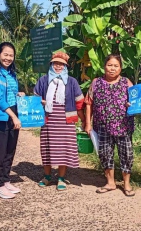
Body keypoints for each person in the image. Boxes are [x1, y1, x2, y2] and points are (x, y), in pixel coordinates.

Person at [84, 54, 135, 197]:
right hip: (102, 126)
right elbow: (89, 103)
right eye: (109, 65)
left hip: (123, 126)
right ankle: (110, 182)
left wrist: (131, 104)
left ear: (120, 68)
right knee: (105, 155)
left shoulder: (126, 83)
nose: (112, 69)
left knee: (126, 155)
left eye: (116, 66)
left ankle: (126, 184)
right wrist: (88, 123)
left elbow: (136, 100)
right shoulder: (96, 82)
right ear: (104, 66)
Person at [34, 51, 85, 191]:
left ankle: (61, 178)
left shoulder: (72, 82)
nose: (58, 66)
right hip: (48, 121)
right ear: (51, 64)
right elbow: (34, 99)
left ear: (66, 66)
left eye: (61, 64)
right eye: (56, 63)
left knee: (63, 150)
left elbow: (80, 103)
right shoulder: (43, 80)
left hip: (66, 122)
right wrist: (41, 102)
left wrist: (84, 120)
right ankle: (47, 176)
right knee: (47, 149)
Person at [0, 42, 25, 199]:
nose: (8, 58)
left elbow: (10, 94)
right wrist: (13, 116)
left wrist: (19, 95)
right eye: (5, 54)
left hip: (13, 114)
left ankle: (6, 179)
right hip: (0, 116)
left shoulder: (12, 74)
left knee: (10, 149)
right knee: (0, 151)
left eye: (11, 55)